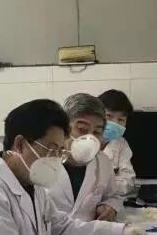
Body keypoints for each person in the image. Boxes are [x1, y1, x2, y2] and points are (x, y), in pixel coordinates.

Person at [0, 99, 149, 235]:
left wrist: (121, 232)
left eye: (59, 151)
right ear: (20, 144)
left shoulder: (33, 184)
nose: (55, 160)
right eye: (51, 149)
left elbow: (63, 229)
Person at [48, 93, 123, 222]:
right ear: (64, 129)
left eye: (97, 132)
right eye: (82, 129)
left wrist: (109, 206)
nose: (90, 138)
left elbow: (113, 196)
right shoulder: (43, 160)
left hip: (91, 232)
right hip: (49, 234)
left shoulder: (102, 161)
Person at [99, 89, 136, 195]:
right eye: (109, 116)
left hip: (109, 200)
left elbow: (128, 182)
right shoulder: (83, 140)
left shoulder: (121, 144)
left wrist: (100, 186)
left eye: (121, 120)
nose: (115, 123)